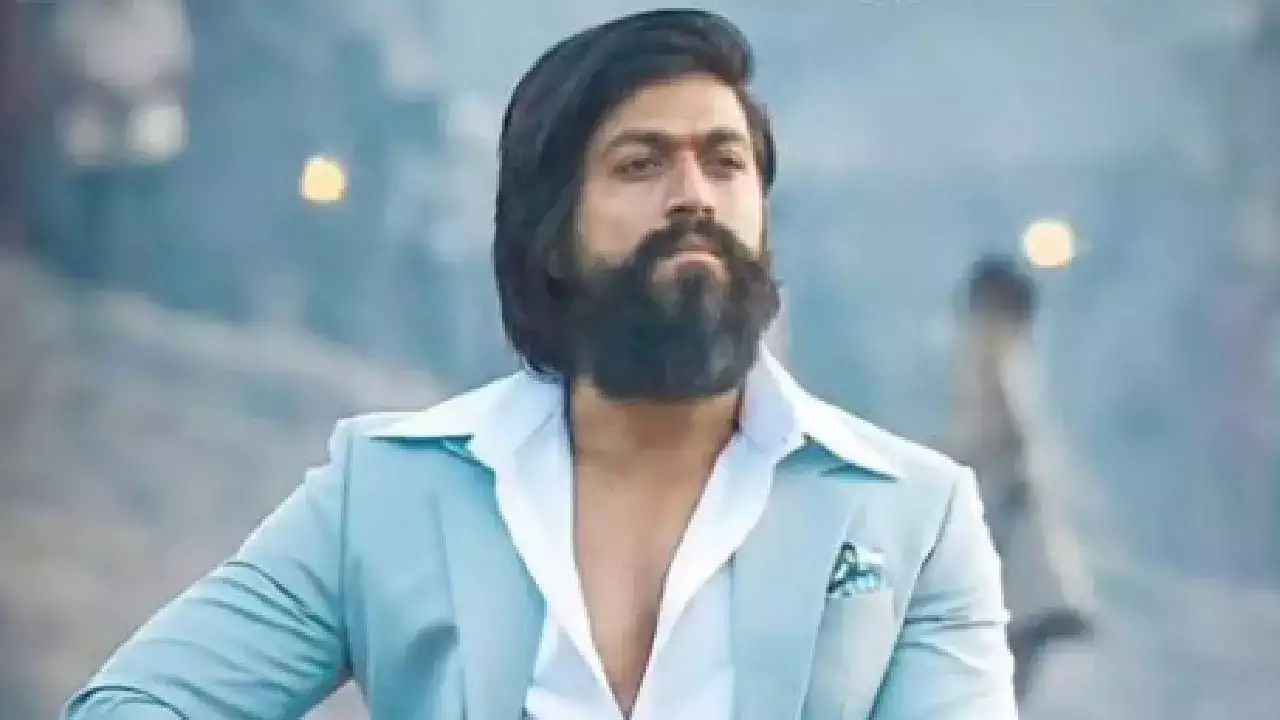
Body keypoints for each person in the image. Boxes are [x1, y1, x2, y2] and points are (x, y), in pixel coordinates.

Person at [65, 10, 1016, 719]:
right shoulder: (390, 489)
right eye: (641, 164)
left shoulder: (911, 513)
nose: (694, 195)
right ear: (553, 233)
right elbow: (133, 705)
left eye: (725, 162)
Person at [947, 255, 1095, 702]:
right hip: (1001, 514)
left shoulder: (995, 355)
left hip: (1003, 516)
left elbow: (997, 434)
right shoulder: (998, 355)